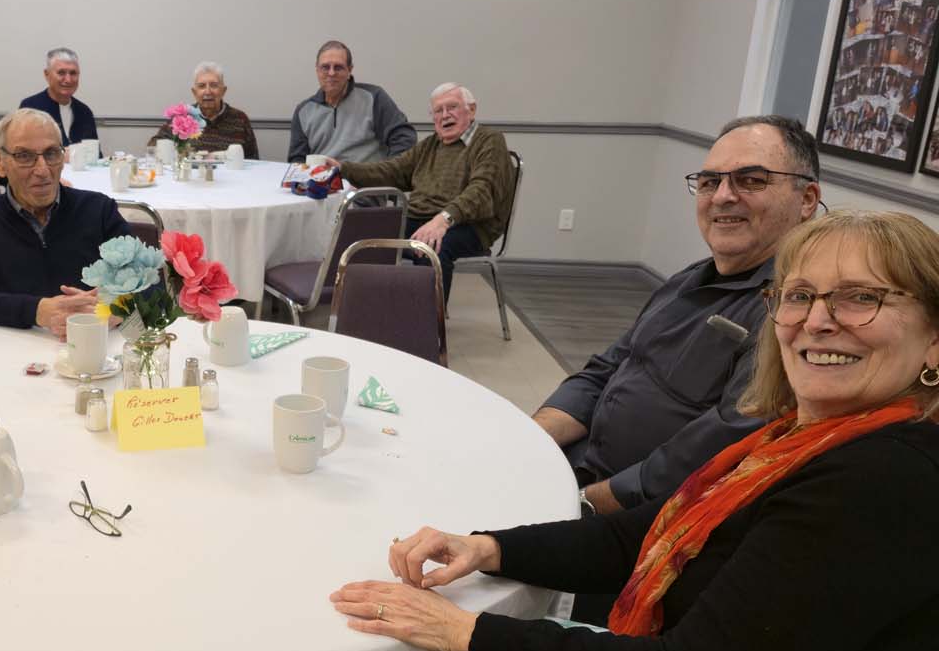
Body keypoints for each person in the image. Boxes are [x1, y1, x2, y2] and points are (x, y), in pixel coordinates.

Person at [333, 209, 939, 651]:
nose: (817, 320)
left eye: (859, 297)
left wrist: (469, 631)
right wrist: (492, 547)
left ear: (935, 340)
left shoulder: (874, 487)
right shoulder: (814, 440)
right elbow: (652, 533)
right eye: (799, 296)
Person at [534, 116, 820, 518]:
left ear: (806, 199)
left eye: (751, 180)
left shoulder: (792, 313)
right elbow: (606, 368)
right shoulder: (690, 278)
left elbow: (711, 458)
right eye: (709, 182)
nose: (722, 196)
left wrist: (580, 505)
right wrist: (531, 441)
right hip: (577, 467)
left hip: (636, 516)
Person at [318, 83, 512, 299]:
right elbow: (391, 170)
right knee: (359, 232)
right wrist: (343, 168)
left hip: (469, 224)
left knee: (431, 247)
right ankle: (364, 308)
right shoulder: (430, 145)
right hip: (419, 218)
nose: (445, 115)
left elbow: (482, 189)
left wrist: (442, 220)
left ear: (471, 110)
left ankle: (427, 327)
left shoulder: (489, 140)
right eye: (438, 111)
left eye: (452, 107)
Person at [0, 108, 130, 337]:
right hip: (12, 351)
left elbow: (151, 282)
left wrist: (116, 306)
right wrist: (38, 311)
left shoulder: (99, 210)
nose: (42, 170)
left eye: (52, 153)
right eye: (24, 156)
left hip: (96, 347)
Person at [287, 39, 414, 163]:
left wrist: (389, 173)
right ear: (317, 70)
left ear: (349, 70)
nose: (331, 73)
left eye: (338, 67)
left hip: (367, 182)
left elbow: (404, 137)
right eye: (325, 67)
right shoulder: (303, 111)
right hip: (322, 182)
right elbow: (297, 160)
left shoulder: (374, 97)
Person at [147, 61, 260, 158]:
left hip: (231, 180)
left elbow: (253, 159)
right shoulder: (183, 117)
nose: (207, 91)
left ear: (223, 91)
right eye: (201, 86)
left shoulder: (240, 119)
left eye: (214, 85)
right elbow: (153, 145)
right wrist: (178, 149)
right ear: (194, 92)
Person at [19, 46, 98, 146]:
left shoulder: (84, 112)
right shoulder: (30, 108)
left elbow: (96, 155)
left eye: (73, 73)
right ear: (47, 74)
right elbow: (22, 151)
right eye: (61, 73)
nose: (68, 80)